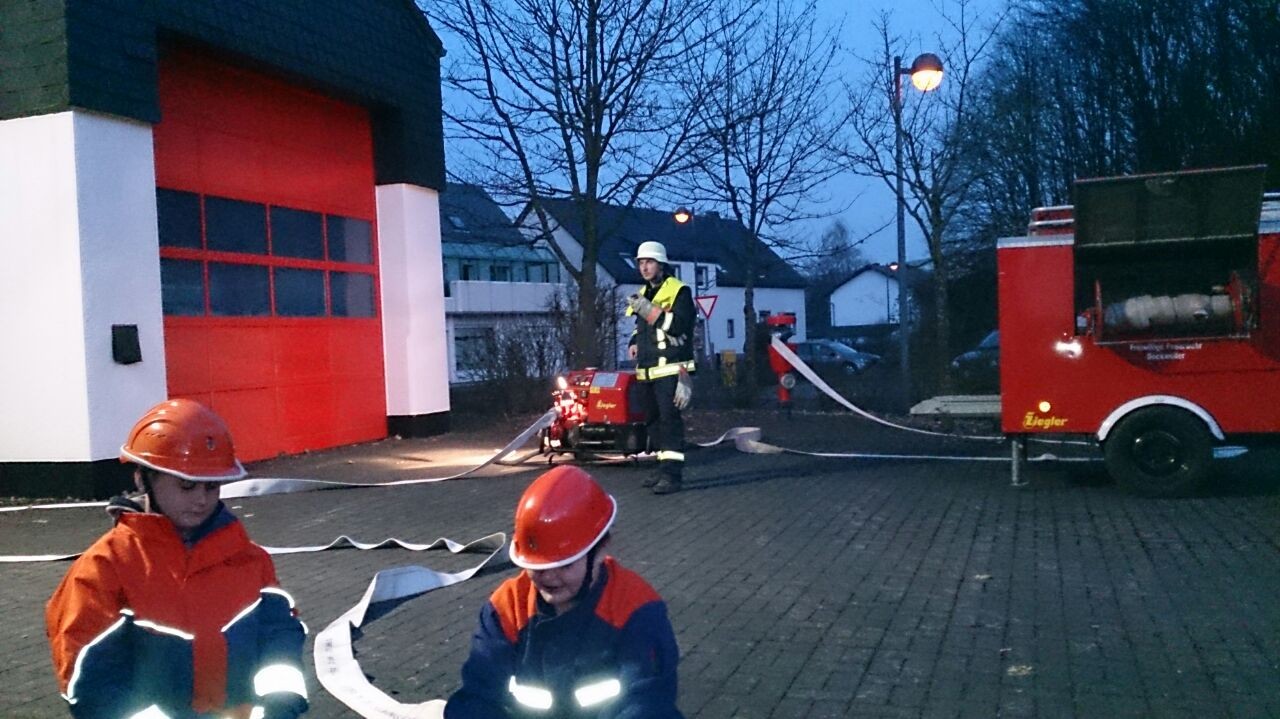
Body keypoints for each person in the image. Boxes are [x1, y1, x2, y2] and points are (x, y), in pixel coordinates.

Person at [45, 399, 309, 719]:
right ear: (143, 480)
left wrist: (281, 704)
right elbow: (90, 680)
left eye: (212, 488)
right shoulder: (104, 568)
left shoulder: (250, 560)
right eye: (186, 486)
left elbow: (278, 635)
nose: (201, 500)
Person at [446, 465, 682, 718]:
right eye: (536, 566)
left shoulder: (636, 610)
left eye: (565, 565)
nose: (548, 577)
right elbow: (479, 697)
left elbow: (646, 705)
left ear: (601, 550)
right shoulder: (506, 608)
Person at [626, 240, 695, 495]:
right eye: (641, 263)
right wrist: (634, 341)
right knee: (652, 421)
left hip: (670, 369)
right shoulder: (643, 293)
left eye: (649, 262)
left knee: (669, 421)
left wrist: (648, 310)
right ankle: (660, 465)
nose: (644, 267)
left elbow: (678, 326)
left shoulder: (680, 291)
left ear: (661, 264)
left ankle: (672, 475)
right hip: (646, 370)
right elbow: (641, 327)